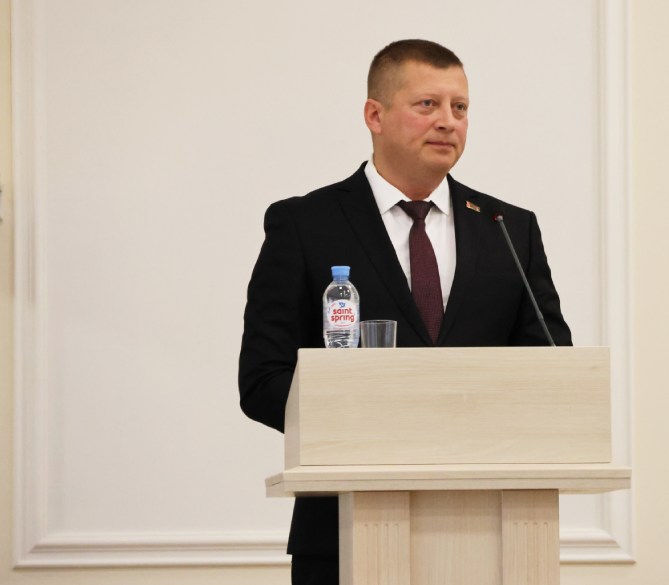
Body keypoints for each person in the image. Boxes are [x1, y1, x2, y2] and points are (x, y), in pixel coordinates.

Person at [238, 39, 573, 585]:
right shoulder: (305, 224)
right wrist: (377, 422)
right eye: (427, 105)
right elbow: (262, 379)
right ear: (375, 115)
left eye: (460, 108)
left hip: (494, 534)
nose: (447, 121)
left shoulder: (508, 229)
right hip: (344, 533)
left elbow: (551, 369)